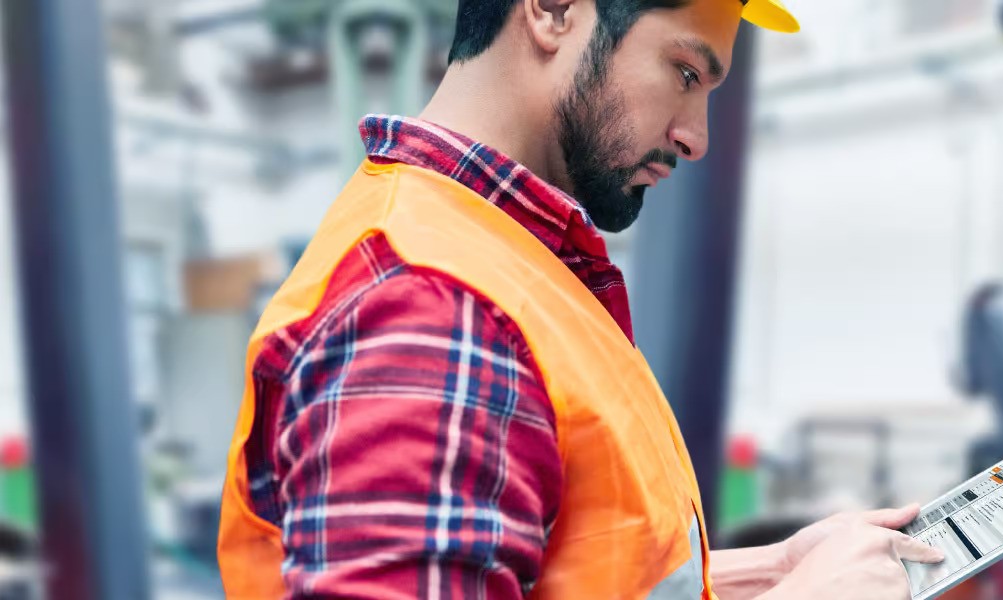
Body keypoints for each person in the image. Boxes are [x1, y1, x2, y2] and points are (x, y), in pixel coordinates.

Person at [214, 1, 943, 598]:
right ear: (554, 11)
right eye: (684, 71)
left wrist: (772, 571)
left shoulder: (501, 257)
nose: (696, 138)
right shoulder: (434, 303)